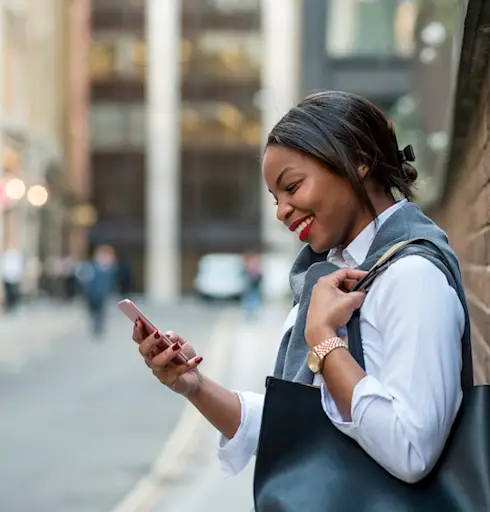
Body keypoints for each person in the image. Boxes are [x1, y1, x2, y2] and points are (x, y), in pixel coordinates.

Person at [132, 92, 467, 491]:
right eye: (276, 198)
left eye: (292, 186)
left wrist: (324, 343)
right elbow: (298, 425)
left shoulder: (412, 277)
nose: (281, 211)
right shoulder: (330, 276)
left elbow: (411, 449)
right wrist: (195, 385)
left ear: (358, 160)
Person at [78, 245, 117, 337]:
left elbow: (110, 283)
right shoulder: (91, 266)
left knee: (101, 311)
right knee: (92, 311)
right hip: (91, 294)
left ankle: (99, 327)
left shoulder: (108, 269)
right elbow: (84, 279)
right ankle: (95, 326)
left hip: (102, 294)